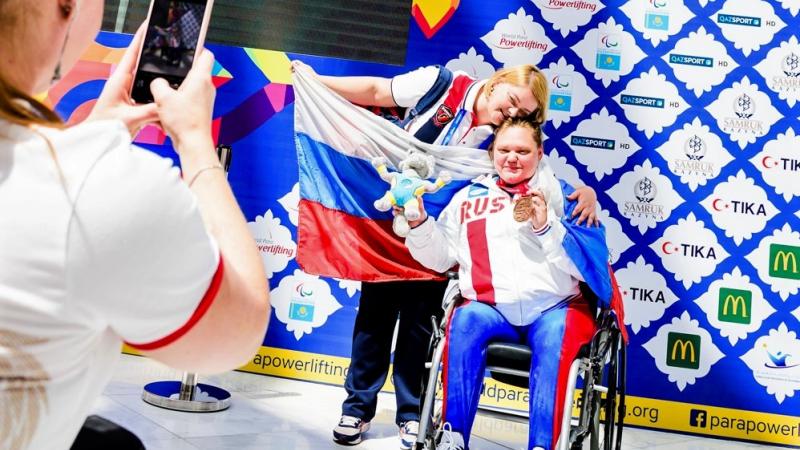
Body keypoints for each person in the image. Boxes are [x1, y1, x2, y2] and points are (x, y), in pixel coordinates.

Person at [0, 2, 270, 450]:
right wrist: (196, 144)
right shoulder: (101, 186)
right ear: (65, 7)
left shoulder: (83, 175)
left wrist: (89, 139)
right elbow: (236, 332)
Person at [293, 61, 599, 448]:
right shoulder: (441, 84)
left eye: (522, 113)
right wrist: (315, 81)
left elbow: (536, 169)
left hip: (437, 236)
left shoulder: (504, 138)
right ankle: (357, 407)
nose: (510, 113)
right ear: (497, 82)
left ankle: (410, 414)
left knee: (422, 325)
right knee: (374, 317)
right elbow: (375, 91)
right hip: (393, 225)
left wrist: (585, 193)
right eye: (510, 102)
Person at [405, 118, 611, 450]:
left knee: (557, 336)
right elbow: (442, 258)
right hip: (490, 308)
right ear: (492, 152)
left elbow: (586, 269)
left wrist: (547, 229)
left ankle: (543, 445)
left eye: (522, 150)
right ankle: (452, 436)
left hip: (553, 308)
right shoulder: (466, 199)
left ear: (539, 153)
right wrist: (418, 224)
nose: (512, 158)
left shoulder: (566, 198)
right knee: (465, 319)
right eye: (504, 149)